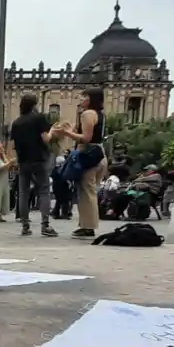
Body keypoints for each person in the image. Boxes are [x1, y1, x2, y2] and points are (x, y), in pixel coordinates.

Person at [53, 88, 108, 239]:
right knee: (91, 191)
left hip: (89, 154)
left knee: (86, 191)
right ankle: (87, 224)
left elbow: (86, 138)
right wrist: (71, 130)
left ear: (91, 99)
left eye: (85, 97)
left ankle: (88, 227)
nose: (81, 100)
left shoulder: (87, 114)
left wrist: (66, 133)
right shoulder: (100, 114)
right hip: (99, 153)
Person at [11, 94, 58, 237]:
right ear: (34, 105)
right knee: (44, 191)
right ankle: (45, 225)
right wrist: (52, 131)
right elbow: (46, 139)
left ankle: (25, 225)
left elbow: (13, 145)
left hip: (23, 161)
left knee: (23, 192)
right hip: (39, 159)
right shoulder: (39, 118)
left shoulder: (16, 123)